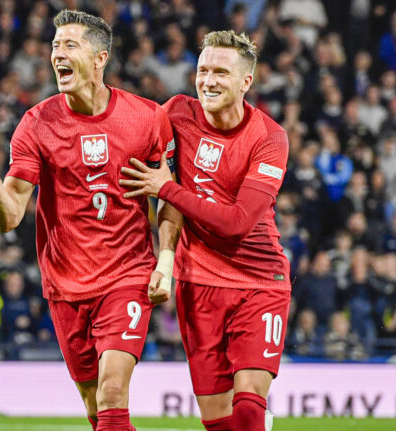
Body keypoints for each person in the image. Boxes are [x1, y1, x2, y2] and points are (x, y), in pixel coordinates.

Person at [0, 10, 178, 430]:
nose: (56, 55)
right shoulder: (36, 123)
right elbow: (8, 217)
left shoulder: (146, 116)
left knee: (113, 392)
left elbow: (169, 194)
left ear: (100, 58)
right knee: (96, 407)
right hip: (65, 284)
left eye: (69, 45)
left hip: (126, 275)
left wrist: (166, 259)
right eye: (54, 46)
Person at [120, 30, 291, 431]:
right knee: (218, 423)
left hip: (259, 282)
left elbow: (237, 224)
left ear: (246, 81)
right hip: (197, 284)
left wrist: (167, 188)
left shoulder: (269, 138)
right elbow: (136, 152)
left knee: (248, 410)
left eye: (220, 72)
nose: (208, 80)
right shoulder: (177, 113)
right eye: (202, 70)